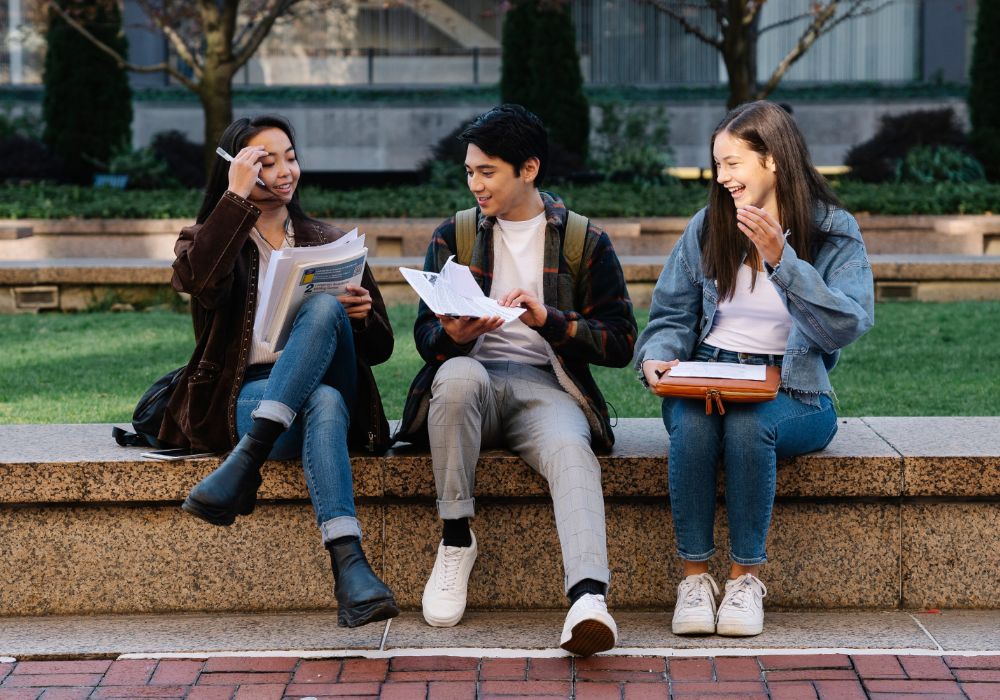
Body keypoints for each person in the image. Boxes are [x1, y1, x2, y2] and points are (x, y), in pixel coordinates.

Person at [394, 104, 637, 656]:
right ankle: (456, 540)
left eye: (487, 172)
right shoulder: (455, 233)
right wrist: (453, 335)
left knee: (572, 451)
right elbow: (425, 337)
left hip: (546, 387)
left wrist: (550, 320)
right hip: (471, 381)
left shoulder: (583, 240)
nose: (475, 184)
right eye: (469, 172)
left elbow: (622, 341)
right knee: (455, 375)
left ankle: (588, 600)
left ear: (528, 169)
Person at [633, 101, 874, 637]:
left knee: (748, 426)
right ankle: (694, 580)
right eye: (717, 165)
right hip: (707, 374)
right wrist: (657, 356)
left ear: (773, 160)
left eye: (733, 163)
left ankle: (744, 581)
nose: (722, 177)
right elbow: (670, 314)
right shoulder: (709, 225)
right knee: (694, 427)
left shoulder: (831, 230)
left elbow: (847, 323)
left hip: (793, 389)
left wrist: (782, 260)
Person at [160, 115, 399, 628]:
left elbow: (381, 349)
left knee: (325, 310)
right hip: (246, 395)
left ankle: (247, 462)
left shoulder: (329, 240)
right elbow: (198, 283)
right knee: (323, 402)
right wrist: (234, 199)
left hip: (326, 379)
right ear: (238, 168)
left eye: (290, 157)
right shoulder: (208, 240)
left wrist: (360, 318)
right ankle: (350, 566)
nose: (286, 171)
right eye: (266, 162)